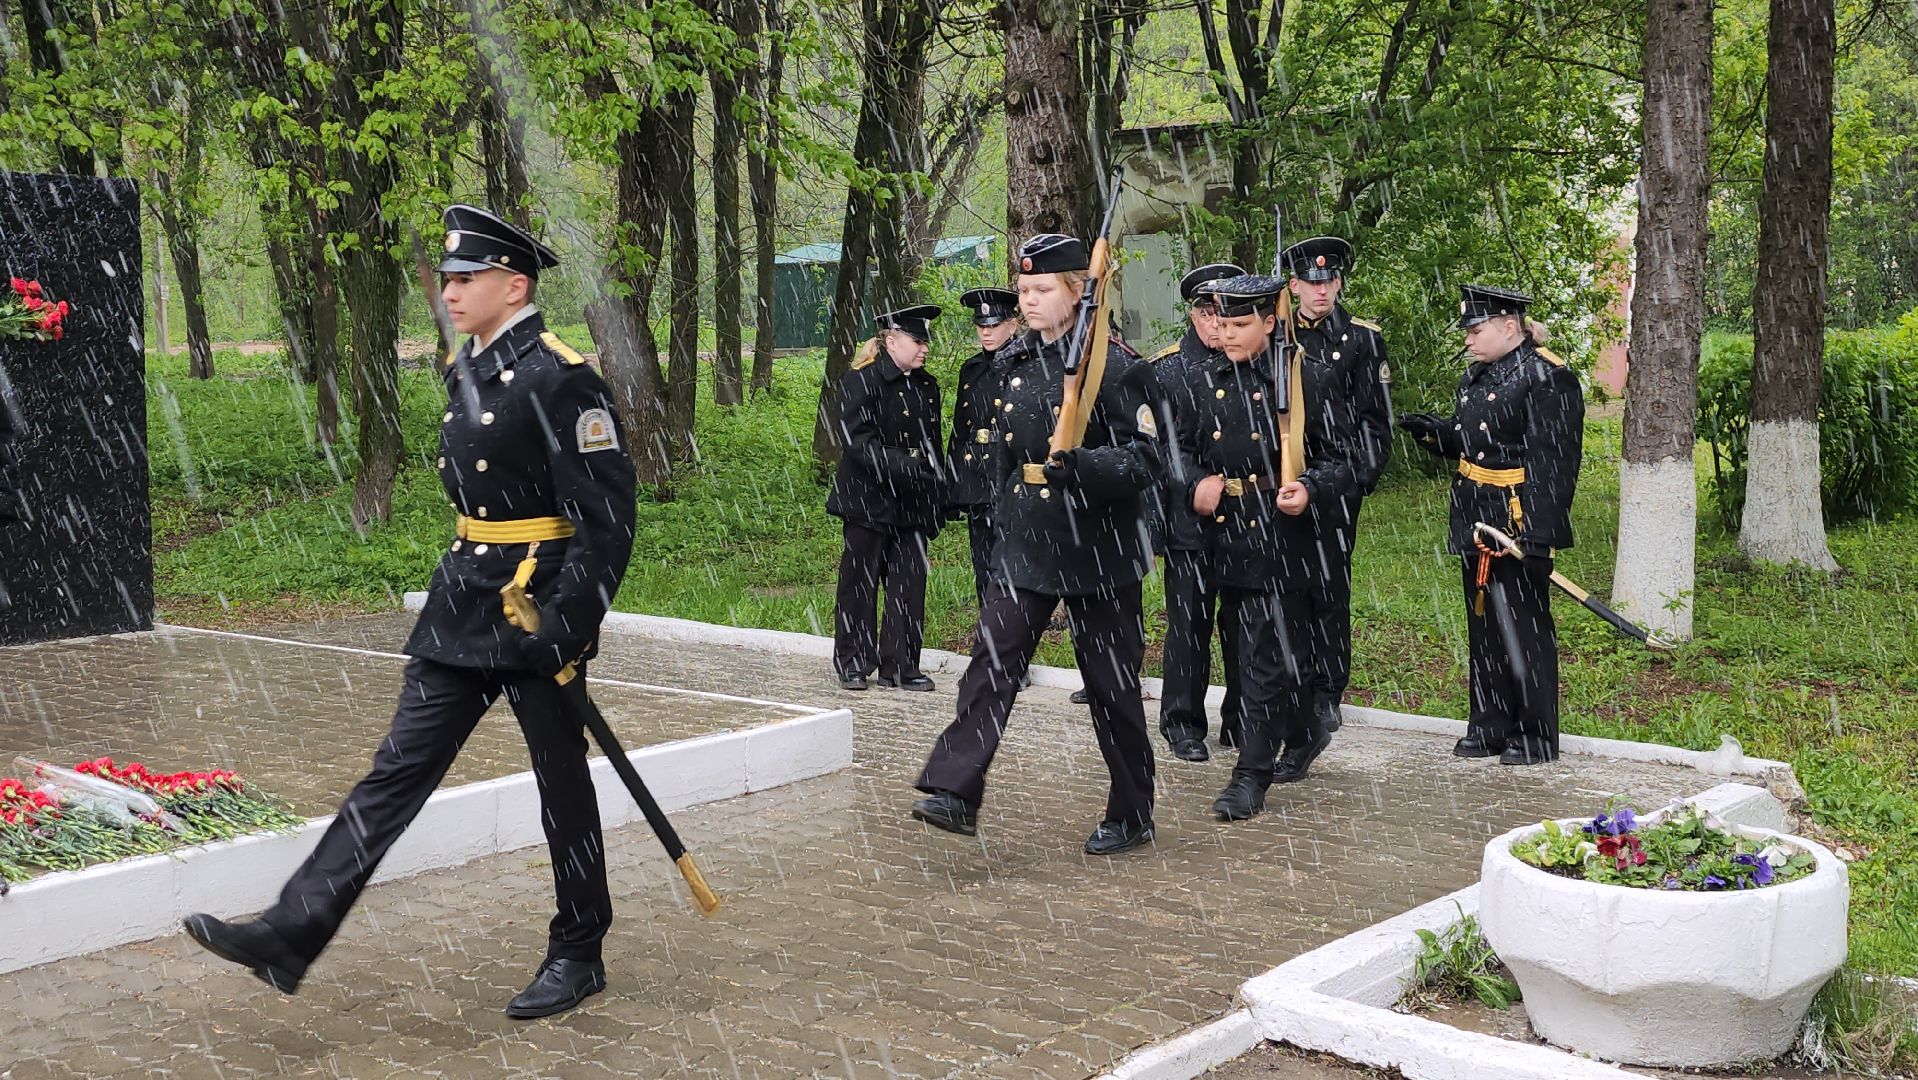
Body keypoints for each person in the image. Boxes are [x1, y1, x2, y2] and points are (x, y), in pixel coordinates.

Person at [184, 204, 638, 1018]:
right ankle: (291, 934)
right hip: (466, 597)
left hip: (537, 605)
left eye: (467, 280)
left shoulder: (563, 376)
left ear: (515, 284)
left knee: (560, 783)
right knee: (396, 772)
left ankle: (579, 950)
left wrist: (566, 626)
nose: (451, 292)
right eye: (449, 279)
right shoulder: (467, 364)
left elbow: (607, 524)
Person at [912, 232, 1165, 855]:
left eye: (1042, 289)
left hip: (1098, 544)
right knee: (992, 665)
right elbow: (998, 451)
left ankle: (1132, 810)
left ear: (1077, 292)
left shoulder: (1119, 366)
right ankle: (955, 790)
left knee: (1111, 686)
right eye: (1024, 288)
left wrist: (1082, 466)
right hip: (1026, 537)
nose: (1027, 299)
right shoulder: (1015, 363)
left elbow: (1145, 460)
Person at [1178, 274, 1356, 820]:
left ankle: (1249, 775)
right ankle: (1303, 731)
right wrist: (1194, 482)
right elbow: (1173, 446)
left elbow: (1349, 458)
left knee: (1265, 656)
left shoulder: (1310, 378)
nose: (1225, 335)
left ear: (1269, 322)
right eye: (1220, 323)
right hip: (1227, 532)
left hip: (1286, 535)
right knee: (1266, 651)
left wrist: (1312, 487)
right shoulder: (1205, 380)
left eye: (1238, 324)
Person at [1397, 284, 1584, 765]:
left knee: (1523, 628)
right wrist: (1437, 434)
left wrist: (1541, 535)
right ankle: (1490, 725)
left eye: (1476, 329)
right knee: (1484, 624)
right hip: (1476, 514)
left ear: (1509, 326)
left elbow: (1554, 465)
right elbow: (1475, 442)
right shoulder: (1479, 375)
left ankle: (1536, 736)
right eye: (1468, 331)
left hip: (1517, 519)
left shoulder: (1547, 378)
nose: (1468, 340)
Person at [1280, 237, 1391, 737]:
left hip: (1335, 482)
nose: (1321, 291)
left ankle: (1327, 690)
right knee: (1283, 589)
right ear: (1295, 285)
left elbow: (1375, 422)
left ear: (1339, 283)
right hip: (1282, 476)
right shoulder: (1276, 333)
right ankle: (1288, 684)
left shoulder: (1363, 340)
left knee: (1328, 589)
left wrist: (1357, 481)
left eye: (1329, 282)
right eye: (1311, 282)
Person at [1152, 262, 1246, 762]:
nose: (1216, 323)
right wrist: (1195, 483)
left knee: (1242, 621)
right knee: (1189, 623)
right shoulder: (1168, 369)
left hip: (1243, 517)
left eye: (1225, 311)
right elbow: (1164, 446)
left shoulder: (1249, 362)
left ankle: (1240, 718)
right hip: (1190, 520)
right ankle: (1182, 721)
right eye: (1207, 312)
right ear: (1193, 314)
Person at [827, 304, 947, 692]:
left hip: (911, 503)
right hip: (869, 500)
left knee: (908, 586)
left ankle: (901, 665)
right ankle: (854, 662)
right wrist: (901, 464)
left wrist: (936, 494)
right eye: (917, 340)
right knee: (859, 586)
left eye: (925, 341)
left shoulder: (927, 386)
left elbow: (932, 446)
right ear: (891, 340)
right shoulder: (863, 380)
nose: (924, 348)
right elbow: (856, 442)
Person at [946, 287, 1022, 608]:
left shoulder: (1025, 365)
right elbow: (960, 429)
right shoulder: (971, 370)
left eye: (993, 325)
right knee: (983, 563)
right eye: (981, 326)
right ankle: (988, 625)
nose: (986, 333)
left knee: (1012, 564)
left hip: (1011, 475)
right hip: (977, 478)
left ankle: (1010, 628)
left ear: (1012, 324)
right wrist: (951, 485)